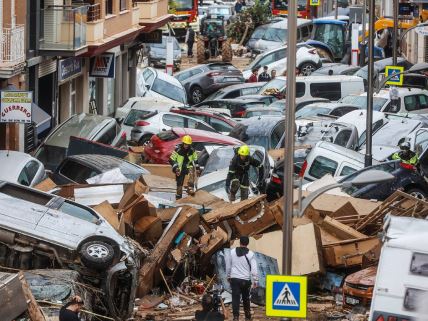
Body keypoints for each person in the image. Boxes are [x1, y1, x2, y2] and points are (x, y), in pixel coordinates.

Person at [226, 236, 258, 321]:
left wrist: (228, 276)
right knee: (246, 298)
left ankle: (236, 317)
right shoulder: (251, 254)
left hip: (234, 279)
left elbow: (228, 266)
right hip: (245, 280)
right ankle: (247, 317)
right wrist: (256, 280)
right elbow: (254, 269)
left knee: (235, 298)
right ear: (247, 243)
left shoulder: (232, 252)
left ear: (240, 242)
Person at [169, 135, 199, 199]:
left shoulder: (192, 151)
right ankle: (178, 196)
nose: (186, 146)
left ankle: (190, 189)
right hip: (179, 168)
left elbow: (195, 159)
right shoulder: (178, 150)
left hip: (188, 166)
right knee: (179, 183)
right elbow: (171, 159)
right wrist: (176, 167)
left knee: (191, 174)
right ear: (183, 143)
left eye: (187, 144)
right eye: (185, 144)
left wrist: (197, 168)